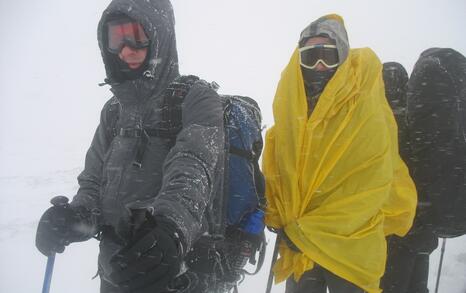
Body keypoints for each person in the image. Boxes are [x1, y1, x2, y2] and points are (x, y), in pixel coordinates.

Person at [35, 0, 227, 292]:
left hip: (177, 273)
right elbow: (93, 182)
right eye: (116, 38)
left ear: (159, 35)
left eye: (136, 36)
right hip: (116, 273)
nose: (125, 49)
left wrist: (170, 228)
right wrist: (76, 217)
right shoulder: (113, 111)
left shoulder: (197, 99)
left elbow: (194, 166)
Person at [262, 14, 417, 293]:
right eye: (310, 57)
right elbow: (277, 167)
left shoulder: (364, 110)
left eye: (328, 55)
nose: (320, 65)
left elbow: (370, 189)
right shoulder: (291, 110)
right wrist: (277, 212)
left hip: (350, 248)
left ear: (343, 56)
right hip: (301, 248)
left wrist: (305, 232)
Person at [380, 61, 438, 293]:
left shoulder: (378, 125)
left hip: (390, 227)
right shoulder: (419, 123)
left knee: (390, 285)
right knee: (416, 285)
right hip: (419, 224)